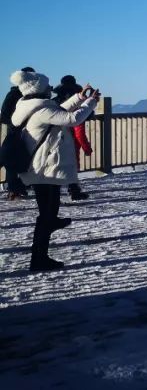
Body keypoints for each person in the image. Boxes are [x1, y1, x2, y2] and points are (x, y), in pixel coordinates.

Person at [9, 69, 98, 271]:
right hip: (44, 168)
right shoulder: (41, 109)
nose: (50, 89)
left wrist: (79, 97)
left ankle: (42, 250)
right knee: (46, 215)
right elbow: (70, 119)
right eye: (47, 86)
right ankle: (38, 258)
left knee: (48, 212)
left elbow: (58, 110)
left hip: (41, 168)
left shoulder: (29, 105)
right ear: (39, 88)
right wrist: (91, 102)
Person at [51, 76, 92, 199]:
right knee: (72, 165)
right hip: (71, 141)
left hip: (54, 138)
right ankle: (74, 190)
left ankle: (54, 193)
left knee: (55, 165)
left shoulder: (55, 102)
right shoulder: (78, 108)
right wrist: (87, 148)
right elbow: (79, 132)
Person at [1, 67, 33, 199]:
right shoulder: (14, 94)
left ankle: (20, 186)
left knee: (27, 160)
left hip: (30, 132)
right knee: (12, 162)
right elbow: (4, 116)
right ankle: (14, 189)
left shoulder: (31, 94)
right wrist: (16, 123)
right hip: (14, 133)